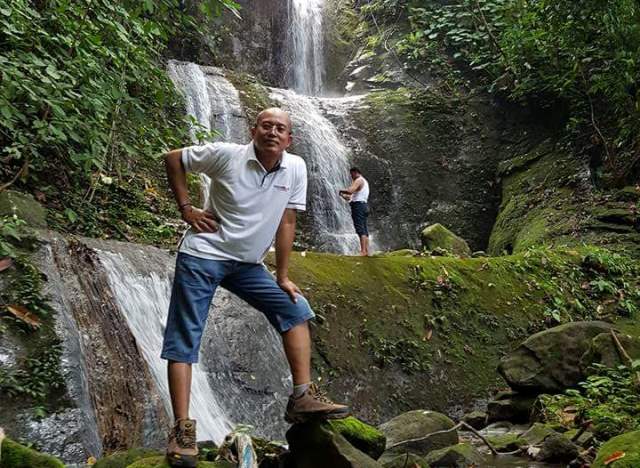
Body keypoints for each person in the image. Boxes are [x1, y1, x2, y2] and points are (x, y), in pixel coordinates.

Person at [161, 108, 349, 468]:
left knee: (295, 309)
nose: (273, 132)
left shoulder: (295, 167)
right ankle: (182, 430)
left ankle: (302, 397)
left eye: (280, 128)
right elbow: (173, 159)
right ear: (254, 130)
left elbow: (288, 219)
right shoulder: (227, 155)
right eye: (266, 126)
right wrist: (187, 209)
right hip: (203, 255)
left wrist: (282, 275)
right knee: (185, 337)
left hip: (247, 264)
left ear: (289, 138)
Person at [339, 167, 370, 256]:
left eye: (351, 174)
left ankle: (363, 251)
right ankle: (366, 251)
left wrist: (340, 190)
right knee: (364, 228)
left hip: (358, 206)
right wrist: (342, 195)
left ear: (356, 172)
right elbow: (349, 197)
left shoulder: (359, 180)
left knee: (360, 228)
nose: (351, 177)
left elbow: (350, 191)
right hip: (363, 205)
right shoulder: (364, 182)